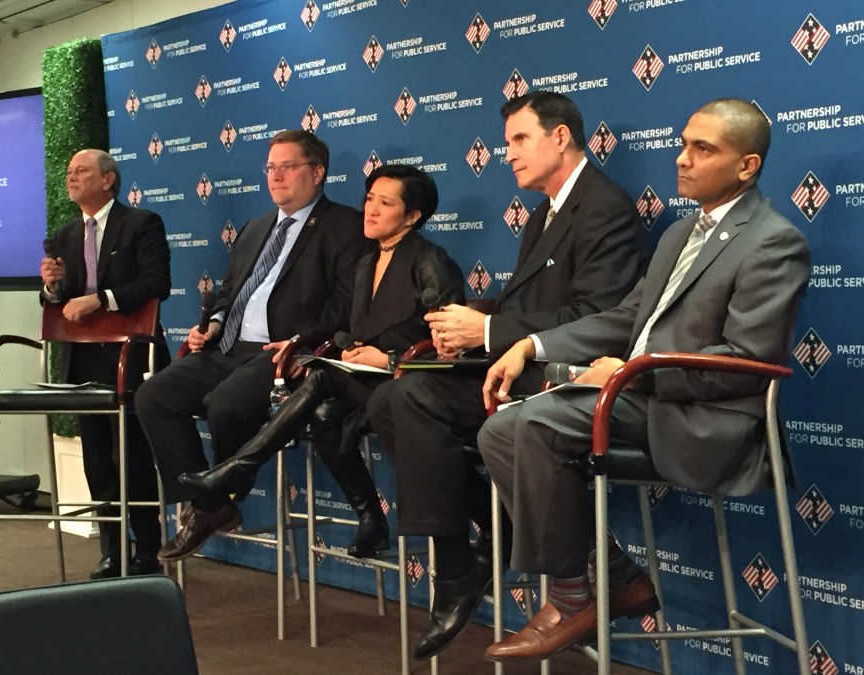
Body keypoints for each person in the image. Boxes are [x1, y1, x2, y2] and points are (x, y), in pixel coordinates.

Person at [477, 98, 811, 662]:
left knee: (532, 421)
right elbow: (625, 319)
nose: (682, 159)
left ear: (747, 166)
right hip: (643, 395)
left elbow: (743, 359)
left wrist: (633, 375)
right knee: (498, 430)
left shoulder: (774, 242)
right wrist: (529, 345)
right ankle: (609, 576)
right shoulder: (682, 233)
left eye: (703, 149)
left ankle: (571, 596)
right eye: (683, 143)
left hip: (702, 416)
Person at [365, 91, 647, 659]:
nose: (508, 154)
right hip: (519, 373)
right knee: (387, 401)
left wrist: (488, 332)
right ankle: (486, 546)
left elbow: (600, 320)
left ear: (560, 137)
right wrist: (471, 319)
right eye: (507, 142)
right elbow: (535, 302)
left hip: (562, 380)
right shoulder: (546, 210)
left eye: (520, 140)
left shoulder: (603, 209)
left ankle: (461, 568)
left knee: (414, 396)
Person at [173, 165, 465, 558]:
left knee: (320, 388)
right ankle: (369, 517)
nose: (371, 210)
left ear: (412, 216)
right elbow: (351, 328)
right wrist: (338, 350)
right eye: (369, 200)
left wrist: (388, 357)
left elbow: (449, 344)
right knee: (325, 412)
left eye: (385, 203)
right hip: (362, 378)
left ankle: (236, 469)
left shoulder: (431, 261)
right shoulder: (368, 262)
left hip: (406, 381)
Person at [135, 130, 366, 562]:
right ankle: (211, 505)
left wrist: (301, 341)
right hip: (229, 347)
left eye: (288, 166)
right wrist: (216, 322)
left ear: (317, 173)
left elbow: (346, 305)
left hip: (284, 355)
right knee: (154, 395)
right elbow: (230, 291)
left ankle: (213, 498)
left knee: (225, 405)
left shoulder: (345, 227)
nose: (275, 177)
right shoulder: (256, 227)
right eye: (270, 168)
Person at [39, 148, 171, 579]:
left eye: (81, 171)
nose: (71, 177)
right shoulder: (63, 236)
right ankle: (112, 549)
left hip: (131, 356)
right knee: (96, 457)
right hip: (83, 361)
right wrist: (53, 288)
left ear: (107, 180)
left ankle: (149, 549)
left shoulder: (142, 224)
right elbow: (55, 303)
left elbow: (157, 283)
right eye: (69, 171)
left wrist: (103, 300)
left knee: (133, 452)